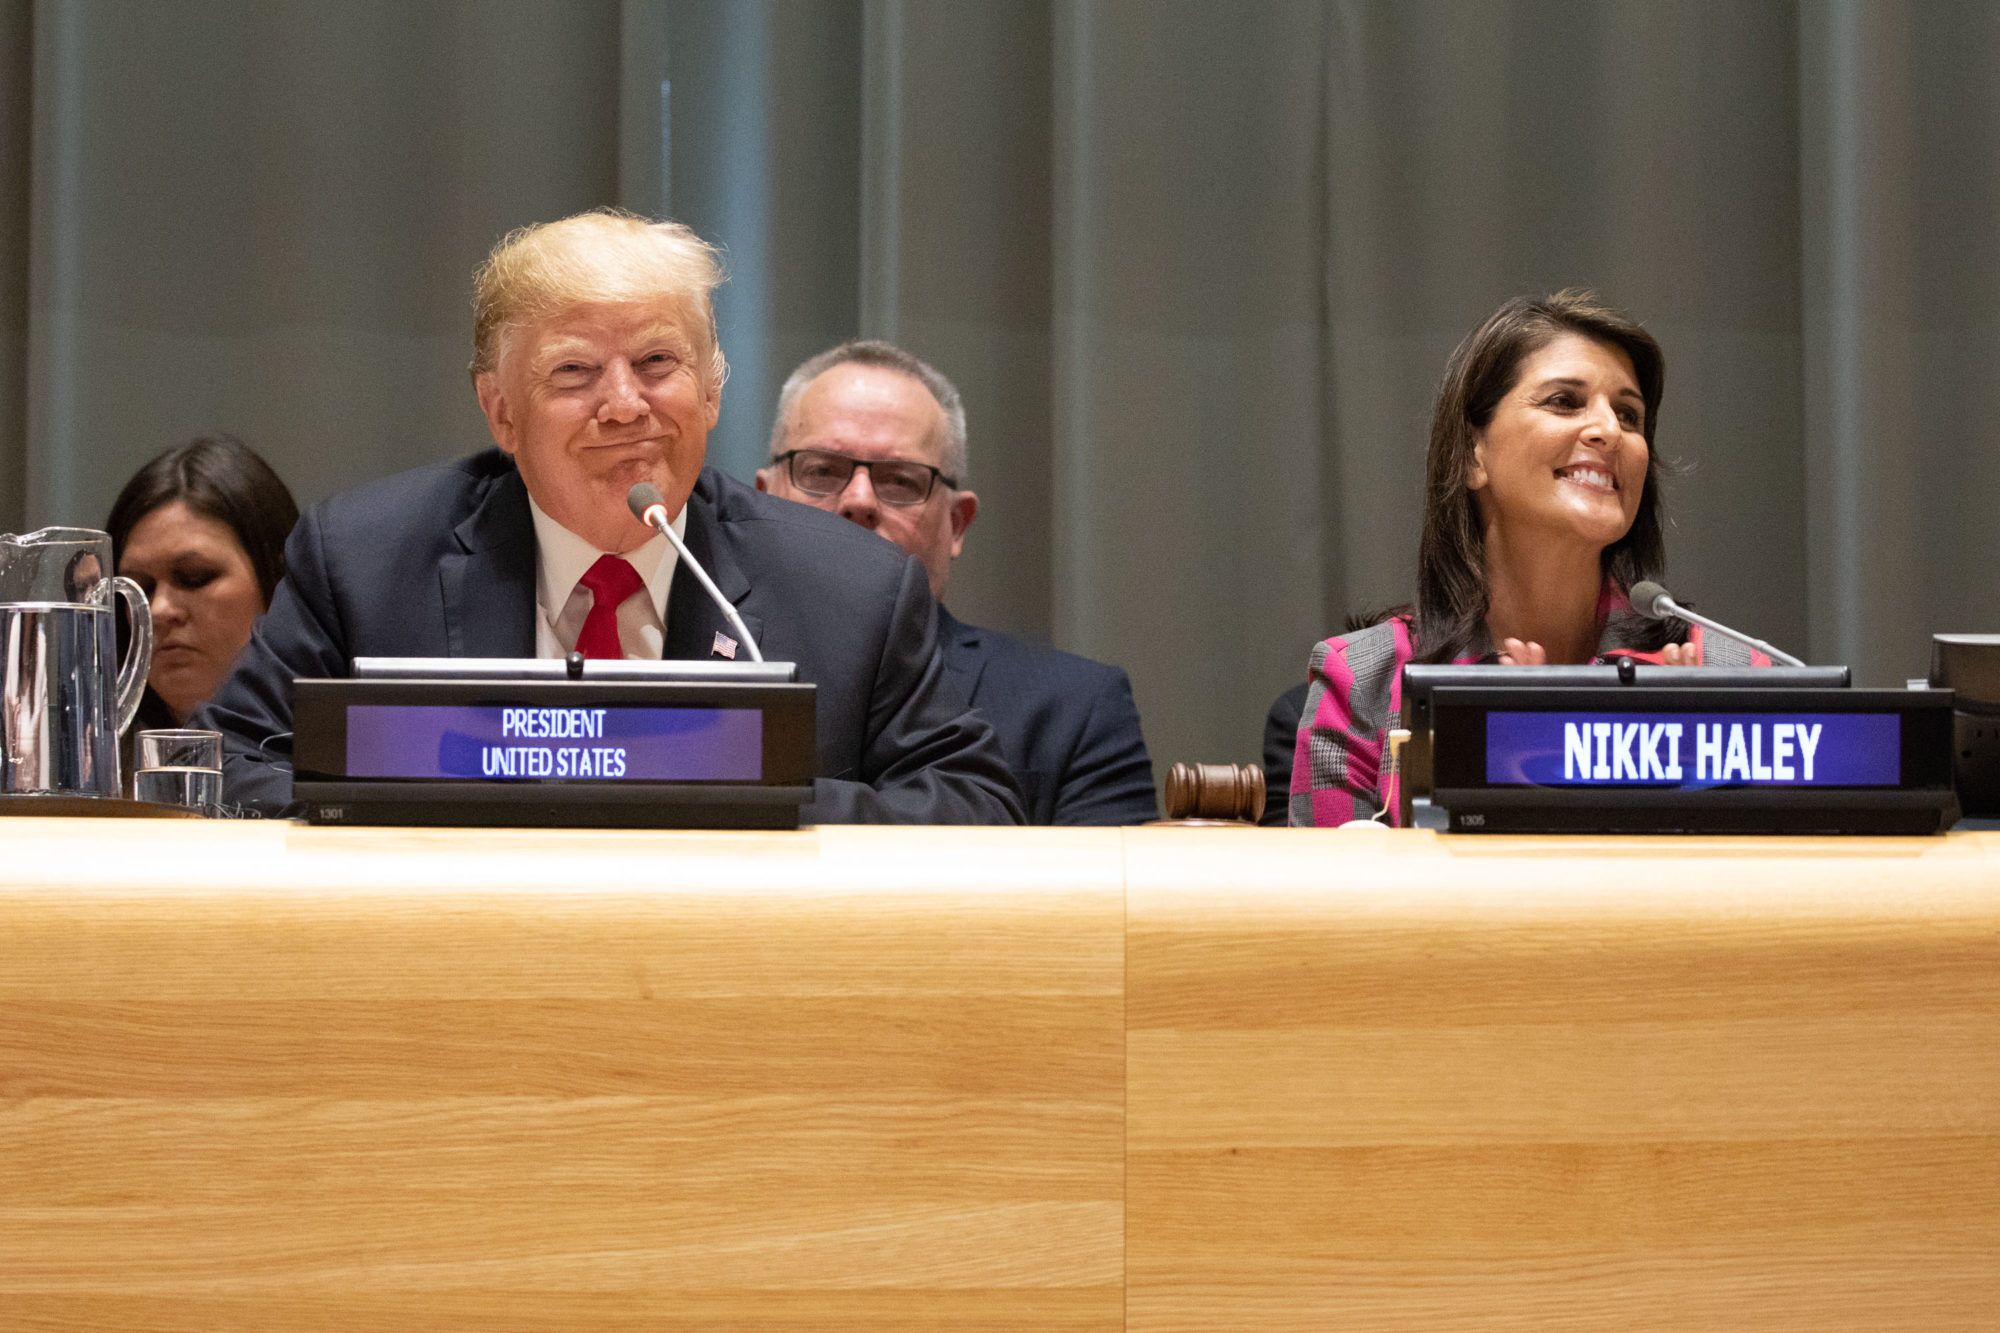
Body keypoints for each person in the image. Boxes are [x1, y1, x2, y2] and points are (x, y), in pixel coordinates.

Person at [196, 210, 1022, 824]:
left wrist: (757, 797)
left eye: (658, 362)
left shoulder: (852, 588)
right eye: (576, 371)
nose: (625, 406)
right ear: (501, 412)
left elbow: (973, 805)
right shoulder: (368, 558)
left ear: (711, 391)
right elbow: (218, 768)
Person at [1290, 290, 1766, 827]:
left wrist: (1683, 780)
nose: (1609, 430)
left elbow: (1789, 903)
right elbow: (1330, 907)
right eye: (1564, 401)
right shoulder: (1364, 682)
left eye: (1629, 415)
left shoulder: (1730, 676)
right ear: (1473, 455)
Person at [756, 340, 1156, 824]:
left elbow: (1110, 897)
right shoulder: (687, 664)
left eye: (900, 480)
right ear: (763, 499)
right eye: (821, 471)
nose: (858, 501)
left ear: (957, 524)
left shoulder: (1074, 711)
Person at [106, 434, 300, 729]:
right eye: (139, 588)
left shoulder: (348, 750)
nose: (158, 610)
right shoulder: (84, 762)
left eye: (195, 577)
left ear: (276, 581)